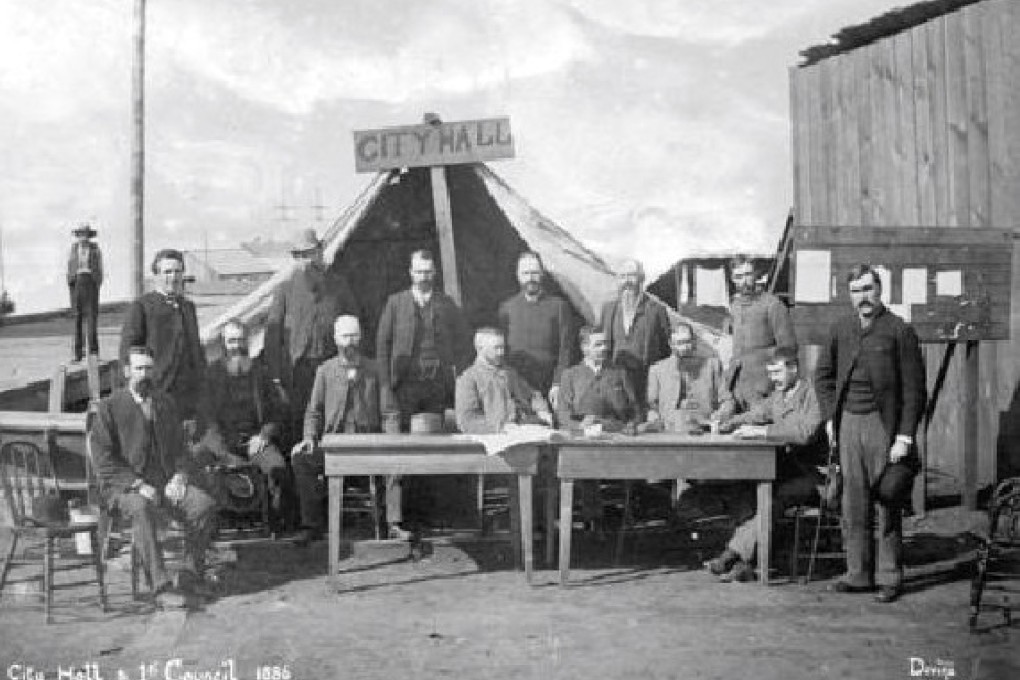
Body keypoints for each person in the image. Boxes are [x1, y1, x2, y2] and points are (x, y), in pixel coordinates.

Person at [815, 264, 926, 603]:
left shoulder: (899, 331)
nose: (863, 297)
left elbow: (915, 390)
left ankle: (890, 575)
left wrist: (904, 437)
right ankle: (858, 574)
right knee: (853, 502)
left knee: (887, 501)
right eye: (856, 291)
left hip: (883, 425)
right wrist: (831, 419)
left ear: (880, 290)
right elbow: (823, 377)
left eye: (868, 288)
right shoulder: (840, 329)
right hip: (848, 423)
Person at [89, 346, 218, 608]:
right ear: (126, 372)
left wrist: (180, 476)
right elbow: (103, 460)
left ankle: (190, 575)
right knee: (141, 507)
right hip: (122, 489)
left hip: (164, 484)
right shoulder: (110, 407)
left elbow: (181, 448)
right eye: (139, 369)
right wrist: (137, 484)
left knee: (203, 505)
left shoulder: (164, 403)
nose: (145, 375)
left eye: (149, 369)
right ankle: (160, 587)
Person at [703, 347, 824, 582]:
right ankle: (746, 563)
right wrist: (726, 422)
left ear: (794, 369)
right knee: (745, 491)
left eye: (778, 372)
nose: (774, 378)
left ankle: (733, 554)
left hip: (813, 476)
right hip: (786, 470)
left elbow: (805, 433)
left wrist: (763, 432)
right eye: (771, 373)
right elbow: (756, 414)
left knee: (770, 500)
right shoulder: (780, 395)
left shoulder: (813, 395)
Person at [290, 316, 410, 544]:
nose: (350, 342)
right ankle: (312, 525)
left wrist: (392, 439)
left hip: (368, 444)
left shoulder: (375, 370)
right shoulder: (325, 371)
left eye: (354, 335)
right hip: (333, 445)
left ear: (361, 337)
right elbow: (313, 411)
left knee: (396, 460)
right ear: (336, 339)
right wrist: (309, 437)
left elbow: (390, 412)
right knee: (301, 459)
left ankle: (394, 524)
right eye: (345, 336)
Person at [264, 228, 360, 442]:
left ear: (321, 251)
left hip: (332, 367)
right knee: (300, 424)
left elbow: (354, 324)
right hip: (298, 373)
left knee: (333, 419)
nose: (307, 261)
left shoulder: (339, 286)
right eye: (300, 256)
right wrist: (276, 377)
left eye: (310, 253)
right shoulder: (284, 289)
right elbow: (272, 337)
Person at [199, 319, 294, 532]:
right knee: (197, 466)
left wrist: (264, 436)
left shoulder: (262, 372)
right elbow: (206, 419)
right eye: (231, 341)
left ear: (248, 341)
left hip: (255, 441)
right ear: (224, 343)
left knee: (277, 468)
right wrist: (223, 453)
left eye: (241, 340)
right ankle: (208, 528)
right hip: (222, 443)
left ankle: (276, 525)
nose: (236, 346)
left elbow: (277, 411)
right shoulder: (212, 375)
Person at [375, 249, 471, 426]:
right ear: (411, 273)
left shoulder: (446, 304)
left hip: (437, 385)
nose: (423, 277)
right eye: (419, 272)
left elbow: (463, 342)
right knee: (403, 438)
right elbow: (382, 347)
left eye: (427, 272)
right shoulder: (395, 303)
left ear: (434, 273)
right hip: (405, 384)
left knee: (436, 437)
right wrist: (385, 386)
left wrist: (458, 377)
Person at [119, 249, 206, 422]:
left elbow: (196, 351)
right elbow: (128, 355)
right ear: (156, 275)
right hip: (156, 393)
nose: (173, 277)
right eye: (167, 272)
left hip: (186, 397)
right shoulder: (142, 307)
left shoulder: (188, 308)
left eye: (177, 271)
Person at [497, 252, 574, 411]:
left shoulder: (559, 307)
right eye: (526, 273)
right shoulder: (507, 309)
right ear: (518, 276)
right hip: (516, 386)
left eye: (534, 273)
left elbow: (565, 350)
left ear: (542, 274)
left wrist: (558, 383)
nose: (530, 278)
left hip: (549, 386)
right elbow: (500, 351)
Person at [725, 255, 797, 412]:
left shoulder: (772, 305)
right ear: (732, 279)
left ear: (756, 275)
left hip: (764, 388)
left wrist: (778, 384)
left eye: (747, 275)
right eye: (738, 276)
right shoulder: (735, 306)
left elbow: (788, 349)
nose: (744, 281)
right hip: (738, 387)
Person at [600, 259, 670, 409]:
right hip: (617, 382)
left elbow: (666, 350)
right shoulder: (608, 309)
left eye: (632, 276)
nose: (627, 281)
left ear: (642, 278)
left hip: (646, 381)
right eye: (623, 276)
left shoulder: (656, 310)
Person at [455, 327, 553, 434]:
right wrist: (500, 428)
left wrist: (542, 411)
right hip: (491, 441)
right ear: (480, 348)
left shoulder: (509, 373)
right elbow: (466, 421)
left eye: (502, 347)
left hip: (521, 433)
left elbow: (532, 395)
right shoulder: (468, 379)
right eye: (496, 348)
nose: (501, 352)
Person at [645, 322, 734, 433]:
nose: (684, 348)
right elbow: (651, 407)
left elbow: (727, 401)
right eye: (679, 343)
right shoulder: (657, 371)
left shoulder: (712, 366)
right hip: (669, 433)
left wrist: (720, 415)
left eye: (687, 342)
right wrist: (654, 419)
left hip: (704, 432)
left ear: (694, 342)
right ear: (671, 344)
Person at [557, 326, 641, 434]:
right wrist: (579, 426)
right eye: (598, 345)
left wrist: (630, 426)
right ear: (585, 347)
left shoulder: (619, 373)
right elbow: (563, 414)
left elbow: (635, 409)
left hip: (617, 436)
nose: (604, 348)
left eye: (605, 344)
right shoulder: (570, 376)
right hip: (581, 438)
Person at [67, 223, 103, 362]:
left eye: (86, 234)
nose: (83, 237)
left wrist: (96, 283)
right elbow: (69, 267)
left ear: (89, 236)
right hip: (77, 283)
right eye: (81, 234)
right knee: (77, 320)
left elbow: (100, 267)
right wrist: (71, 282)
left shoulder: (95, 249)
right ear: (78, 236)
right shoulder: (73, 249)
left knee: (92, 319)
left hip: (91, 283)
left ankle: (93, 353)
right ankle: (77, 354)